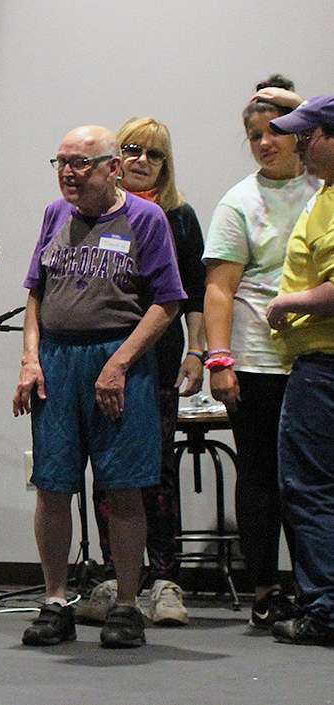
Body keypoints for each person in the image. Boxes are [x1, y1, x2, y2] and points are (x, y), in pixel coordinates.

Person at [13, 125, 185, 649]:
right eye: (62, 161)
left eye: (82, 162)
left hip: (119, 359)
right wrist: (29, 360)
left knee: (124, 487)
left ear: (112, 168)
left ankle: (128, 603)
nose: (69, 171)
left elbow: (167, 302)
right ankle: (54, 600)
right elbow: (36, 294)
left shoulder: (146, 218)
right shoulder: (55, 215)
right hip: (58, 361)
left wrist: (120, 363)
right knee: (53, 484)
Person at [79, 116, 207, 627]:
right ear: (115, 158)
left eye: (153, 155)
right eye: (132, 149)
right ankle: (114, 577)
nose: (140, 161)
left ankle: (163, 580)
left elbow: (194, 293)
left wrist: (198, 353)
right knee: (106, 469)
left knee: (155, 470)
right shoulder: (90, 213)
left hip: (155, 361)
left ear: (165, 165)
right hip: (98, 354)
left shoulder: (178, 217)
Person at [202, 75, 320, 630]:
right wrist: (218, 359)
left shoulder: (325, 188)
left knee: (311, 479)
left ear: (301, 134)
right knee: (260, 476)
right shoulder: (239, 201)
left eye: (276, 130)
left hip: (315, 358)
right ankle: (266, 589)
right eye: (254, 135)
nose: (266, 141)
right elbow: (220, 289)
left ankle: (313, 586)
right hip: (256, 360)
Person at [266, 94, 334, 646]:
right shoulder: (325, 195)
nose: (301, 144)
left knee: (310, 489)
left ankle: (326, 612)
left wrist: (288, 304)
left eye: (309, 135)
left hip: (325, 369)